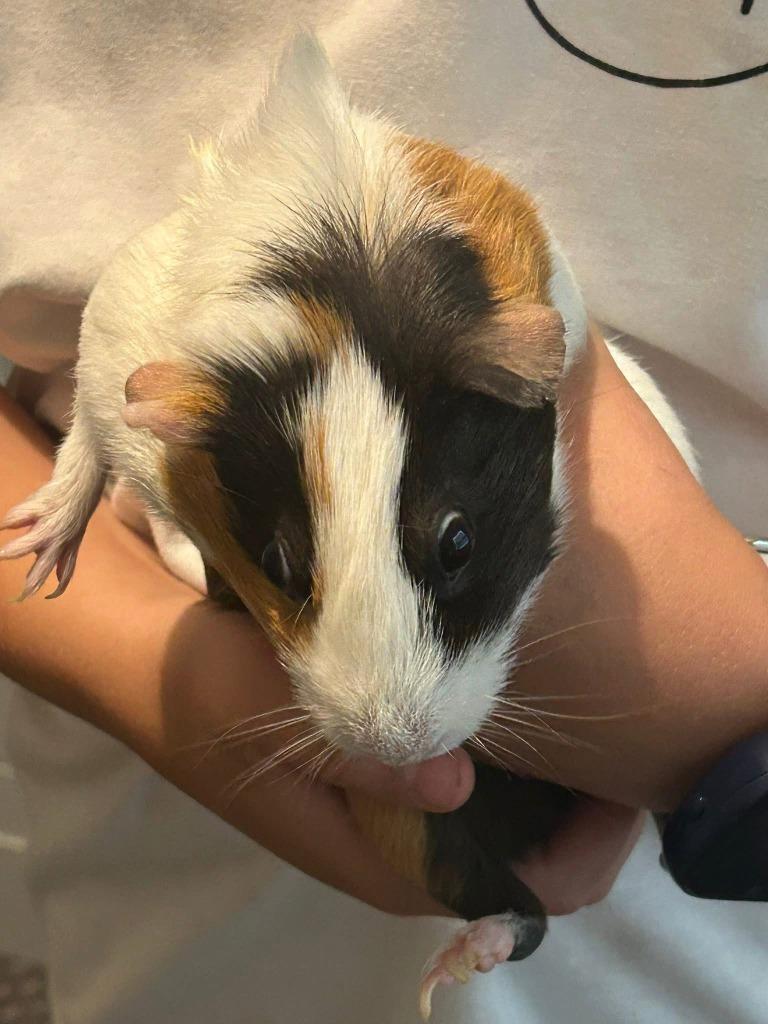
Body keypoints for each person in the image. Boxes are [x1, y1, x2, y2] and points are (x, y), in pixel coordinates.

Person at [1, 3, 767, 1022]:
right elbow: (117, 391)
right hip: (204, 906)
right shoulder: (176, 348)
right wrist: (145, 662)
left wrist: (725, 712)